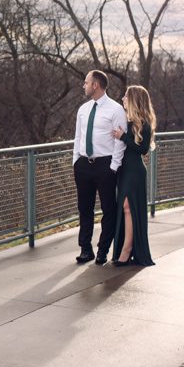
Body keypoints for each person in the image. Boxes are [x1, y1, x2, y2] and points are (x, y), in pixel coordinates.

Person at [72, 70, 127, 265]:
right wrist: (76, 160)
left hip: (106, 165)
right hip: (84, 165)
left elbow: (121, 141)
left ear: (95, 85)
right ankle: (85, 249)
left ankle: (103, 250)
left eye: (86, 82)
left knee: (108, 210)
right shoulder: (83, 109)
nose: (84, 85)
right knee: (84, 209)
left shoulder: (116, 109)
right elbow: (78, 136)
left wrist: (113, 167)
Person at [111, 85, 156, 267]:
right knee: (125, 208)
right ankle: (125, 248)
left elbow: (142, 150)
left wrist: (123, 137)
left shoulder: (143, 124)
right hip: (124, 170)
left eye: (125, 96)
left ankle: (127, 250)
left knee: (128, 207)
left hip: (135, 171)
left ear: (134, 100)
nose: (122, 99)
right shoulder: (126, 121)